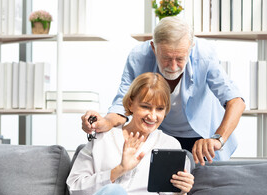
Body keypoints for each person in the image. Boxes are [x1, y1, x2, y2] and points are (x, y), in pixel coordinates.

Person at [81, 16, 245, 165]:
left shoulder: (205, 55)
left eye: (180, 59)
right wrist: (106, 122)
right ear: (153, 47)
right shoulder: (138, 57)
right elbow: (122, 103)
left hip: (202, 137)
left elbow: (235, 102)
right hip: (160, 136)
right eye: (166, 58)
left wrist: (217, 139)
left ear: (191, 47)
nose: (173, 67)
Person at [67, 72, 194, 195]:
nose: (152, 116)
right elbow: (75, 189)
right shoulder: (103, 138)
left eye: (160, 109)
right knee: (114, 192)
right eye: (146, 106)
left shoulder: (168, 145)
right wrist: (119, 170)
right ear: (131, 104)